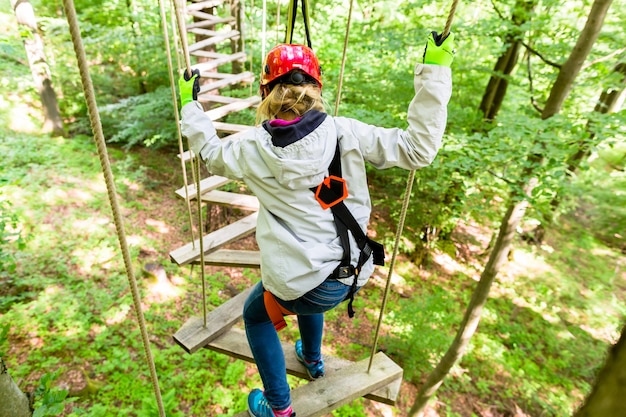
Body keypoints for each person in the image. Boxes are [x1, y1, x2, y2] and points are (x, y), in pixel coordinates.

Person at [178, 31, 455, 417]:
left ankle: (279, 408)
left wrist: (190, 105)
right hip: (353, 273)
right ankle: (312, 358)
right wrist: (436, 71)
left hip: (307, 287)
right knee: (310, 284)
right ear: (316, 88)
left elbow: (209, 152)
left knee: (256, 315)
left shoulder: (248, 149)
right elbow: (417, 149)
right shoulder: (346, 132)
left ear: (265, 92)